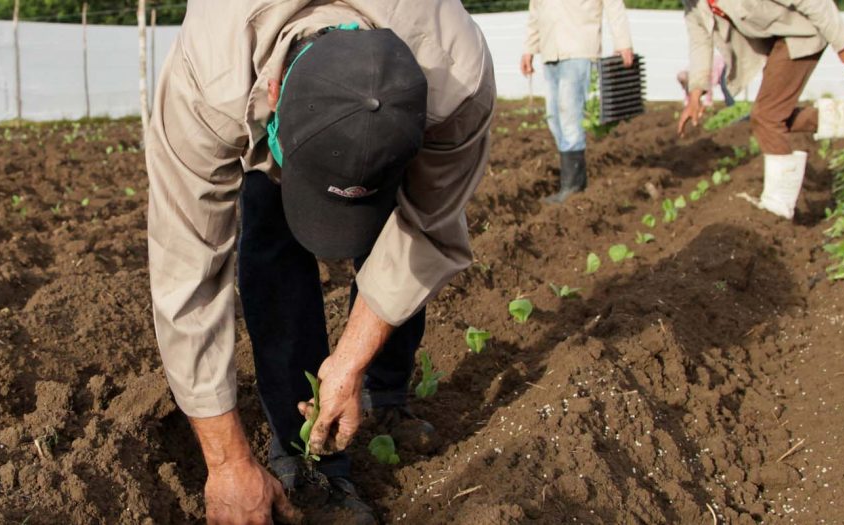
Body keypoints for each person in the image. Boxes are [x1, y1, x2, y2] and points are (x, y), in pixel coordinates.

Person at [144, 1, 494, 523]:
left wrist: (351, 358)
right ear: (273, 94)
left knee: (392, 234)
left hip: (414, 90)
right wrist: (227, 462)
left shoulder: (456, 76)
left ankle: (386, 390)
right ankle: (303, 457)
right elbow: (186, 275)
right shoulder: (208, 80)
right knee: (270, 231)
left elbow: (426, 225)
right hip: (248, 84)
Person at [677, 0, 844, 219]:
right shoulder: (693, 5)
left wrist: (842, 43)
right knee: (775, 117)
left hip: (802, 35)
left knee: (766, 116)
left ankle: (779, 206)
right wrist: (695, 95)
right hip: (779, 41)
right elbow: (700, 43)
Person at [520, 0, 635, 204]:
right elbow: (535, 11)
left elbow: (613, 4)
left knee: (570, 118)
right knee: (554, 118)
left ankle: (574, 187)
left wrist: (623, 42)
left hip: (579, 47)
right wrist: (529, 49)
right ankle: (570, 183)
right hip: (550, 50)